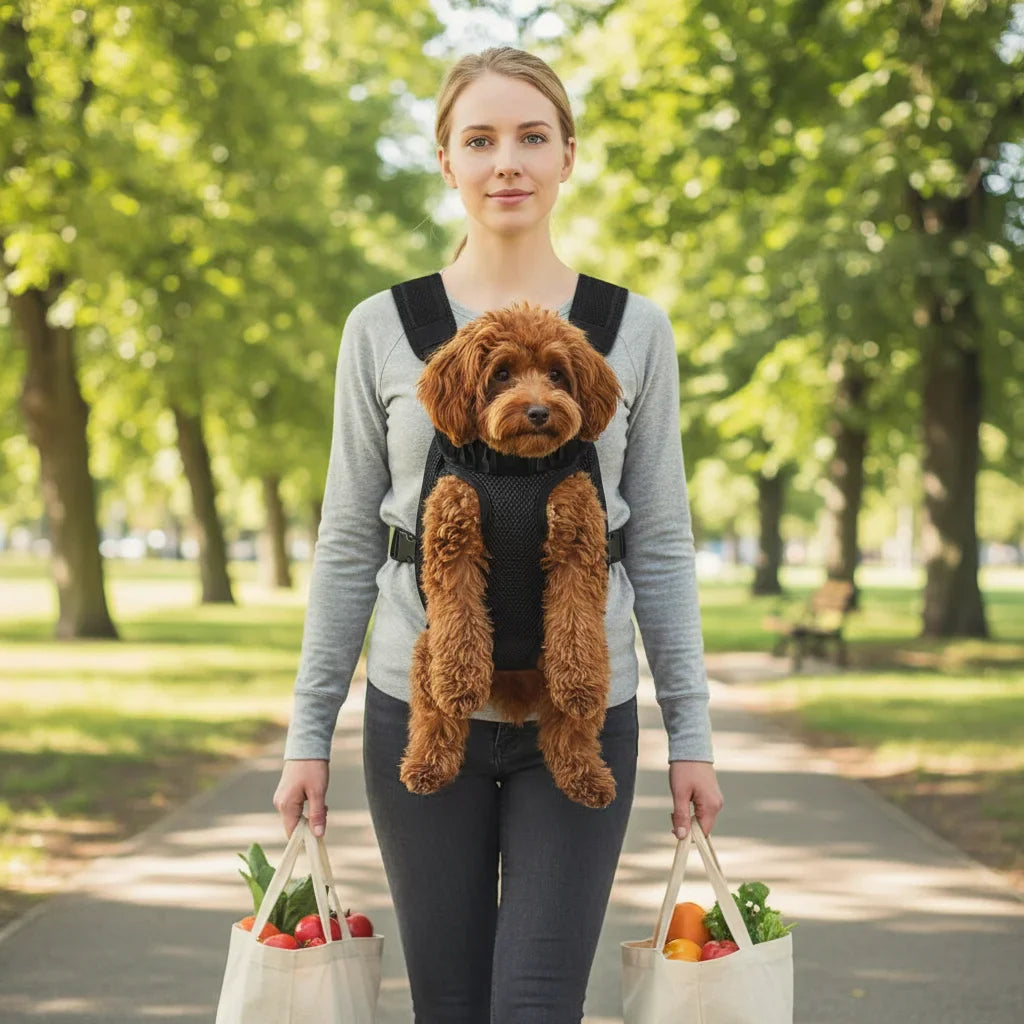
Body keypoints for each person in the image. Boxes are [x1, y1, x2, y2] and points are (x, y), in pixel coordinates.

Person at [273, 45, 723, 1024]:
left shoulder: (631, 328)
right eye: (479, 140)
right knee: (449, 1004)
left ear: (568, 155)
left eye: (531, 136)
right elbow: (348, 542)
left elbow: (660, 544)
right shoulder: (381, 327)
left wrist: (692, 735)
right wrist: (308, 735)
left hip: (583, 715)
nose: (506, 161)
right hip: (418, 708)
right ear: (446, 160)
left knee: (537, 1003)